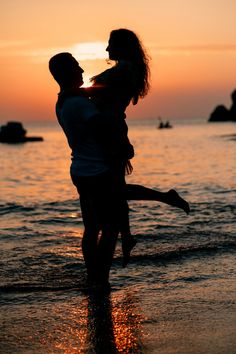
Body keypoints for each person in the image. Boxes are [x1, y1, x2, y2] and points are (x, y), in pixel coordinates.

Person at [81, 29, 190, 265]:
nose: (107, 50)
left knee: (115, 191)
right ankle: (128, 236)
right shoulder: (127, 68)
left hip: (111, 133)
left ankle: (165, 197)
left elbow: (103, 93)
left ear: (122, 46)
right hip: (110, 130)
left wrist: (71, 93)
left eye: (111, 44)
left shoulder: (126, 69)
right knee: (117, 190)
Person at [49, 52, 129, 291]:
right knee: (110, 227)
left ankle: (92, 277)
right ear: (64, 72)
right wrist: (115, 110)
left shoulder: (64, 100)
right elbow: (103, 126)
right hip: (97, 170)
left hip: (81, 169)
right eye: (76, 66)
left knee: (92, 227)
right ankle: (100, 279)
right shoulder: (77, 103)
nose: (82, 70)